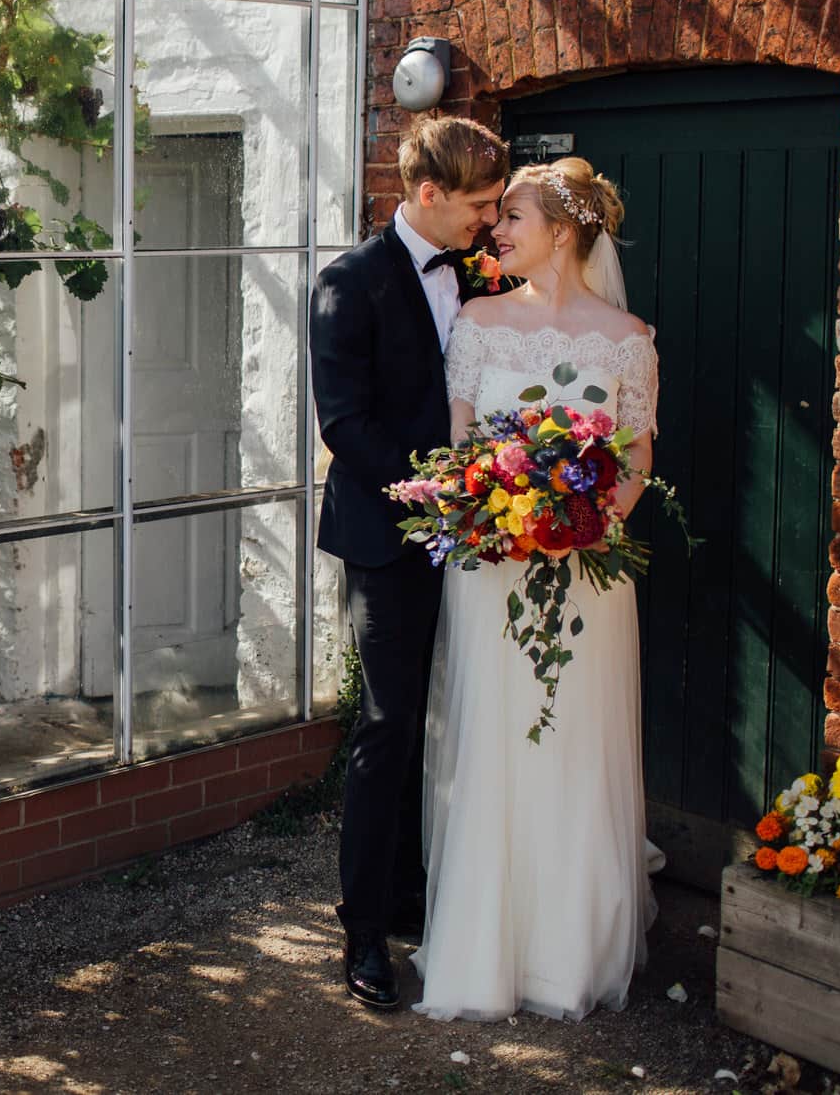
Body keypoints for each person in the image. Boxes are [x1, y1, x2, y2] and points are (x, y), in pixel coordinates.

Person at [412, 156, 661, 1022]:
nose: (498, 231)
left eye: (513, 218)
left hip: (586, 577)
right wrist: (495, 515)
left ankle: (565, 956)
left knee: (573, 746)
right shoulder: (478, 323)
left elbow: (634, 457)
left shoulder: (626, 337)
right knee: (495, 743)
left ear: (563, 230)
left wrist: (587, 522)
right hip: (494, 573)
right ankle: (483, 956)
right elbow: (458, 446)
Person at [309, 116, 508, 1010]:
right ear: (428, 193)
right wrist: (433, 486)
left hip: (481, 537)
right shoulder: (347, 283)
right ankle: (365, 927)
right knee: (389, 725)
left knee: (459, 718)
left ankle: (424, 890)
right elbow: (343, 424)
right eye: (479, 204)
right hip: (388, 538)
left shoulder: (482, 275)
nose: (490, 221)